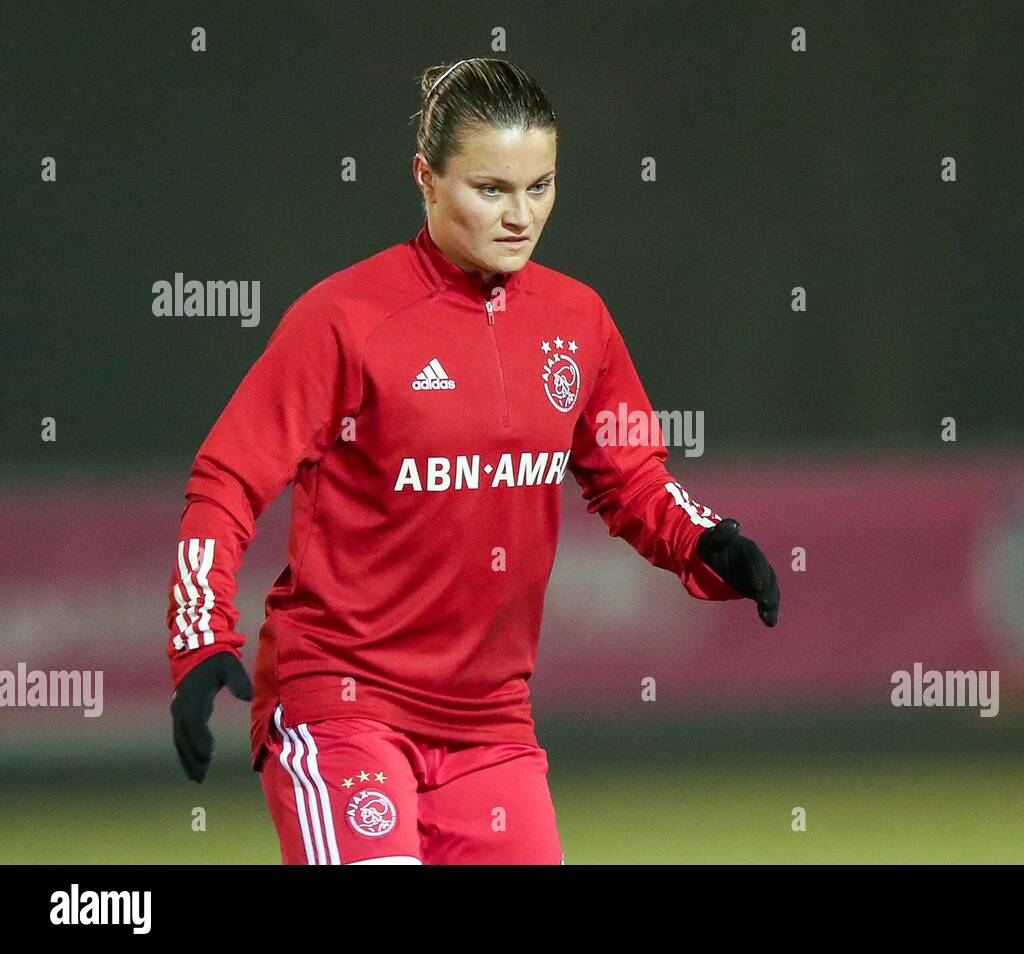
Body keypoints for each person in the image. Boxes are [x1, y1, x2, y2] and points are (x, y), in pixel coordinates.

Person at [166, 57, 780, 865]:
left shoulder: (578, 320)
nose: (520, 215)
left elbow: (631, 476)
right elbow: (228, 482)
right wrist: (201, 639)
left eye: (540, 186)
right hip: (343, 706)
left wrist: (705, 541)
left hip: (491, 725)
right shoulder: (344, 320)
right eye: (491, 189)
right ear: (425, 177)